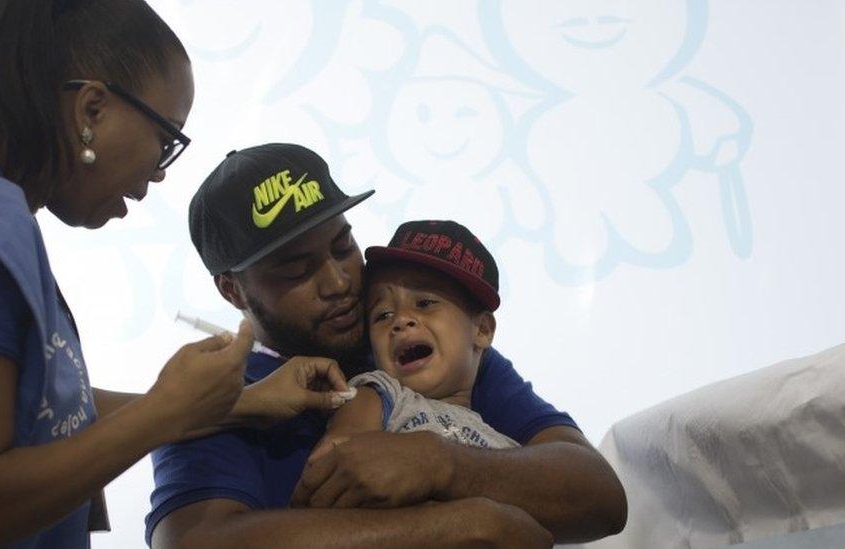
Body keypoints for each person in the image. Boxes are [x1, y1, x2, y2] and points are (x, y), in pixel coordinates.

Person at [0, 2, 348, 547]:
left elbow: (34, 407)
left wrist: (236, 403)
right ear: (91, 109)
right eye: (166, 140)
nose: (159, 173)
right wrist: (162, 414)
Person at [147, 143, 628, 548]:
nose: (338, 282)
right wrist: (458, 525)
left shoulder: (415, 350)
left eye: (342, 246)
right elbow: (195, 541)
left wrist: (443, 464)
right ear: (232, 290)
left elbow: (600, 496)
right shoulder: (215, 393)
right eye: (297, 270)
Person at [310, 219, 522, 463]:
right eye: (383, 315)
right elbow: (329, 467)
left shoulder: (509, 450)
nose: (400, 320)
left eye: (424, 303)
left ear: (482, 330)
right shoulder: (379, 395)